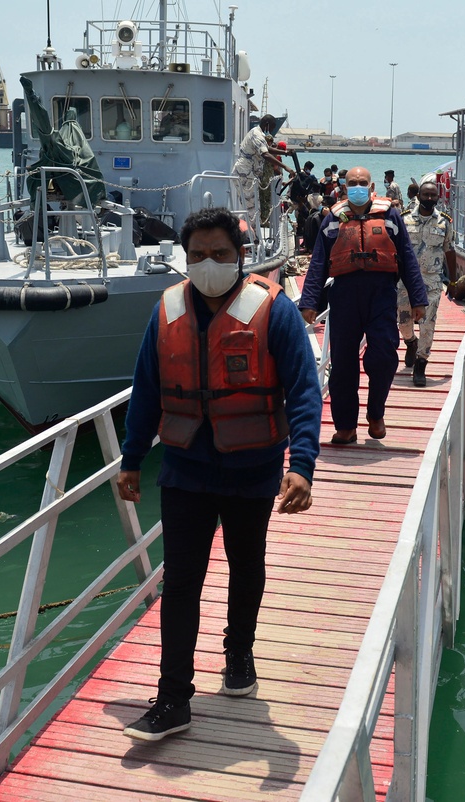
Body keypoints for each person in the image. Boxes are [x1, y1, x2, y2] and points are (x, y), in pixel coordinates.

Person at [118, 207, 322, 742]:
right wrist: (132, 459)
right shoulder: (165, 310)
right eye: (198, 255)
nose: (209, 264)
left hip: (252, 468)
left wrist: (301, 465)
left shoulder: (273, 311)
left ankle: (239, 654)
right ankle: (172, 698)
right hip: (184, 469)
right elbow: (146, 390)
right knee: (181, 582)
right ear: (185, 259)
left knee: (244, 564)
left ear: (242, 256)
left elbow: (303, 390)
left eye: (220, 254)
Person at [298, 166, 427, 444]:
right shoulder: (333, 219)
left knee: (382, 354)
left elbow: (406, 255)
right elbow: (319, 262)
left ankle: (375, 413)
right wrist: (309, 302)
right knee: (343, 363)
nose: (357, 187)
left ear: (372, 187)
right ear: (344, 187)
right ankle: (345, 426)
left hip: (381, 294)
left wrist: (418, 299)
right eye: (352, 183)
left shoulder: (390, 215)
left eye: (362, 183)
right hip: (344, 295)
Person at [397, 180, 451, 386]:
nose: (429, 198)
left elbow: (449, 250)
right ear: (418, 196)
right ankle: (410, 342)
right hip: (406, 281)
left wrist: (453, 281)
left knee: (428, 324)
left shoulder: (445, 222)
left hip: (432, 281)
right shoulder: (404, 220)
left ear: (438, 198)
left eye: (433, 195)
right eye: (425, 195)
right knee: (403, 321)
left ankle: (421, 364)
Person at [233, 114, 295, 236]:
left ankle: (249, 236)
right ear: (266, 124)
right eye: (271, 127)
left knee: (253, 208)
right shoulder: (257, 134)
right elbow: (265, 154)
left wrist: (286, 152)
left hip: (250, 175)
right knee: (251, 209)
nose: (272, 130)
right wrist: (285, 167)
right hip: (245, 174)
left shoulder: (259, 134)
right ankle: (252, 239)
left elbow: (268, 149)